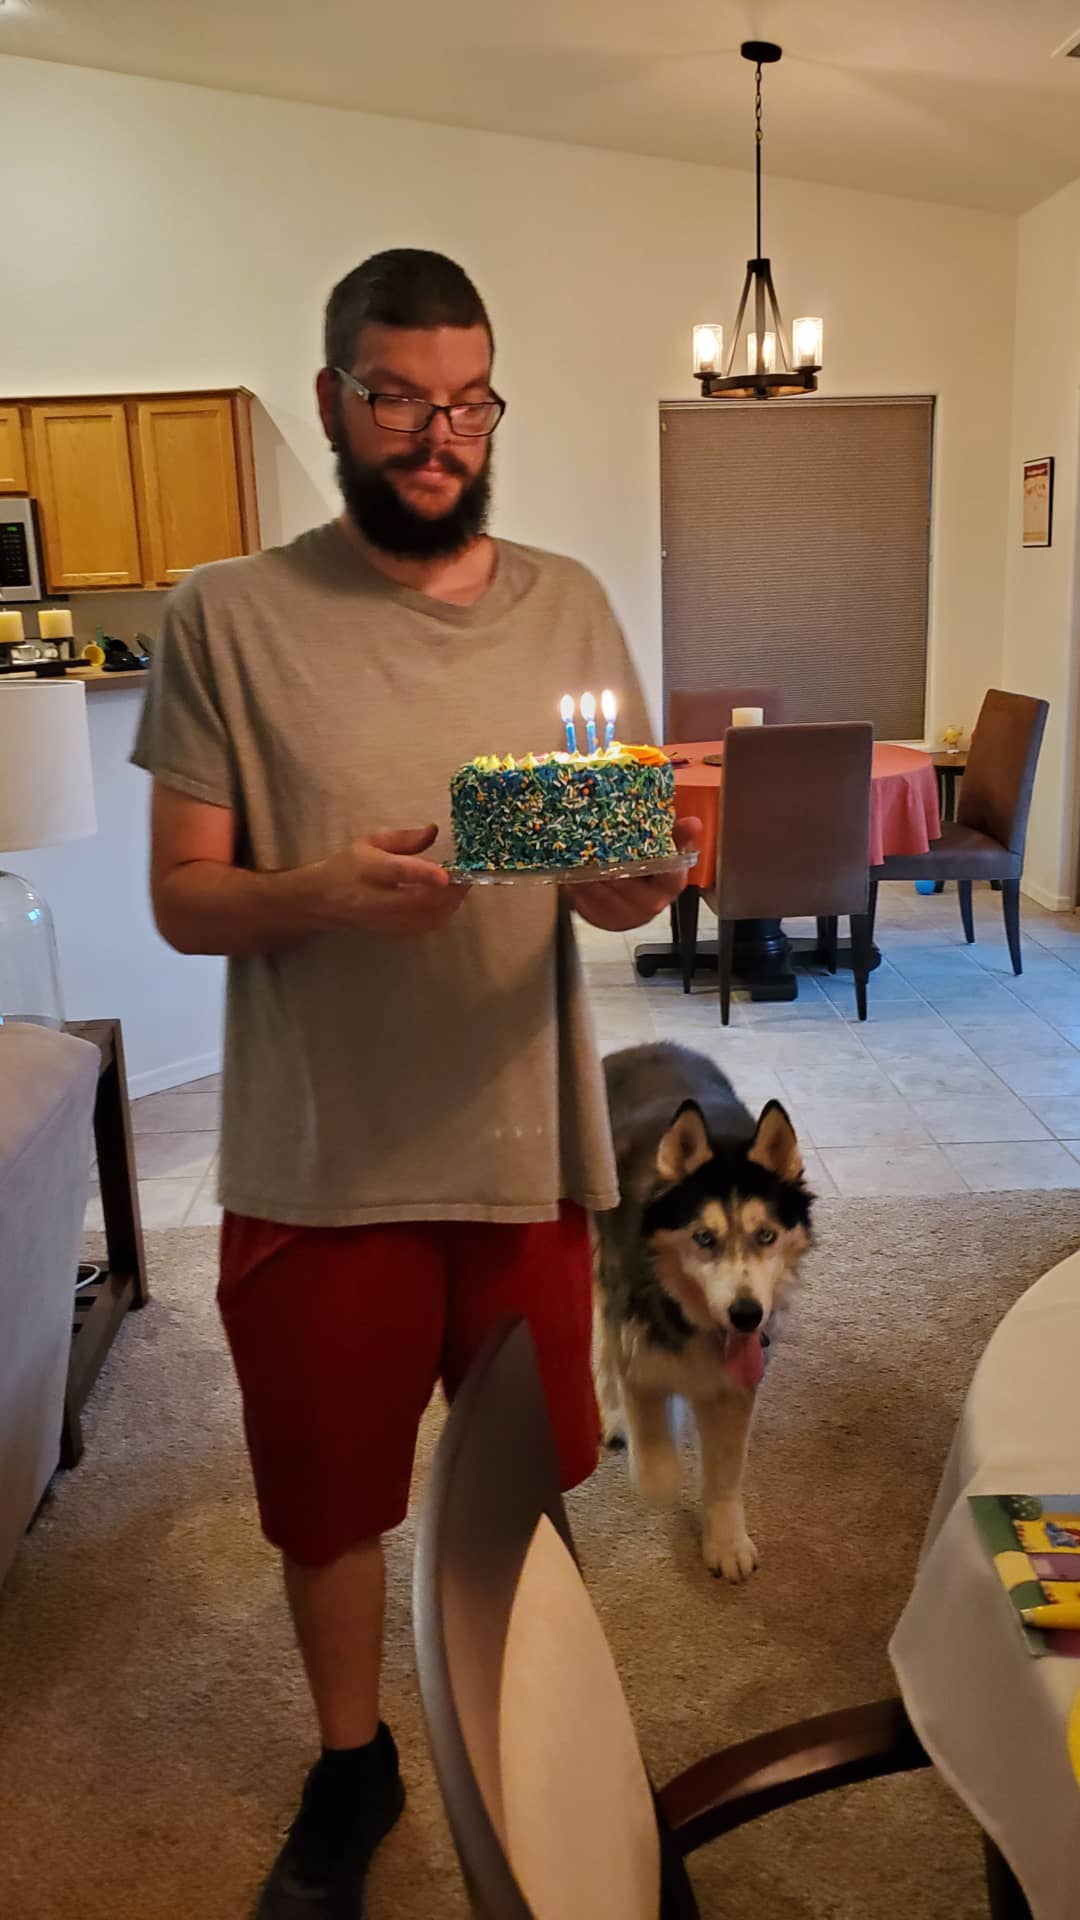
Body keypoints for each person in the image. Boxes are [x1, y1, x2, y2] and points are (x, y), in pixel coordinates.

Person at [133, 248, 698, 1919]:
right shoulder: (223, 617)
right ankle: (350, 1763)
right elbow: (182, 901)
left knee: (527, 1488)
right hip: (319, 1160)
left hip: (524, 1147)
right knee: (326, 1502)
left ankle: (549, 1761)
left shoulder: (571, 603)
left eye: (469, 403)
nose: (439, 434)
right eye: (399, 399)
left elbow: (615, 875)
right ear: (335, 401)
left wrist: (634, 886)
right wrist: (326, 891)